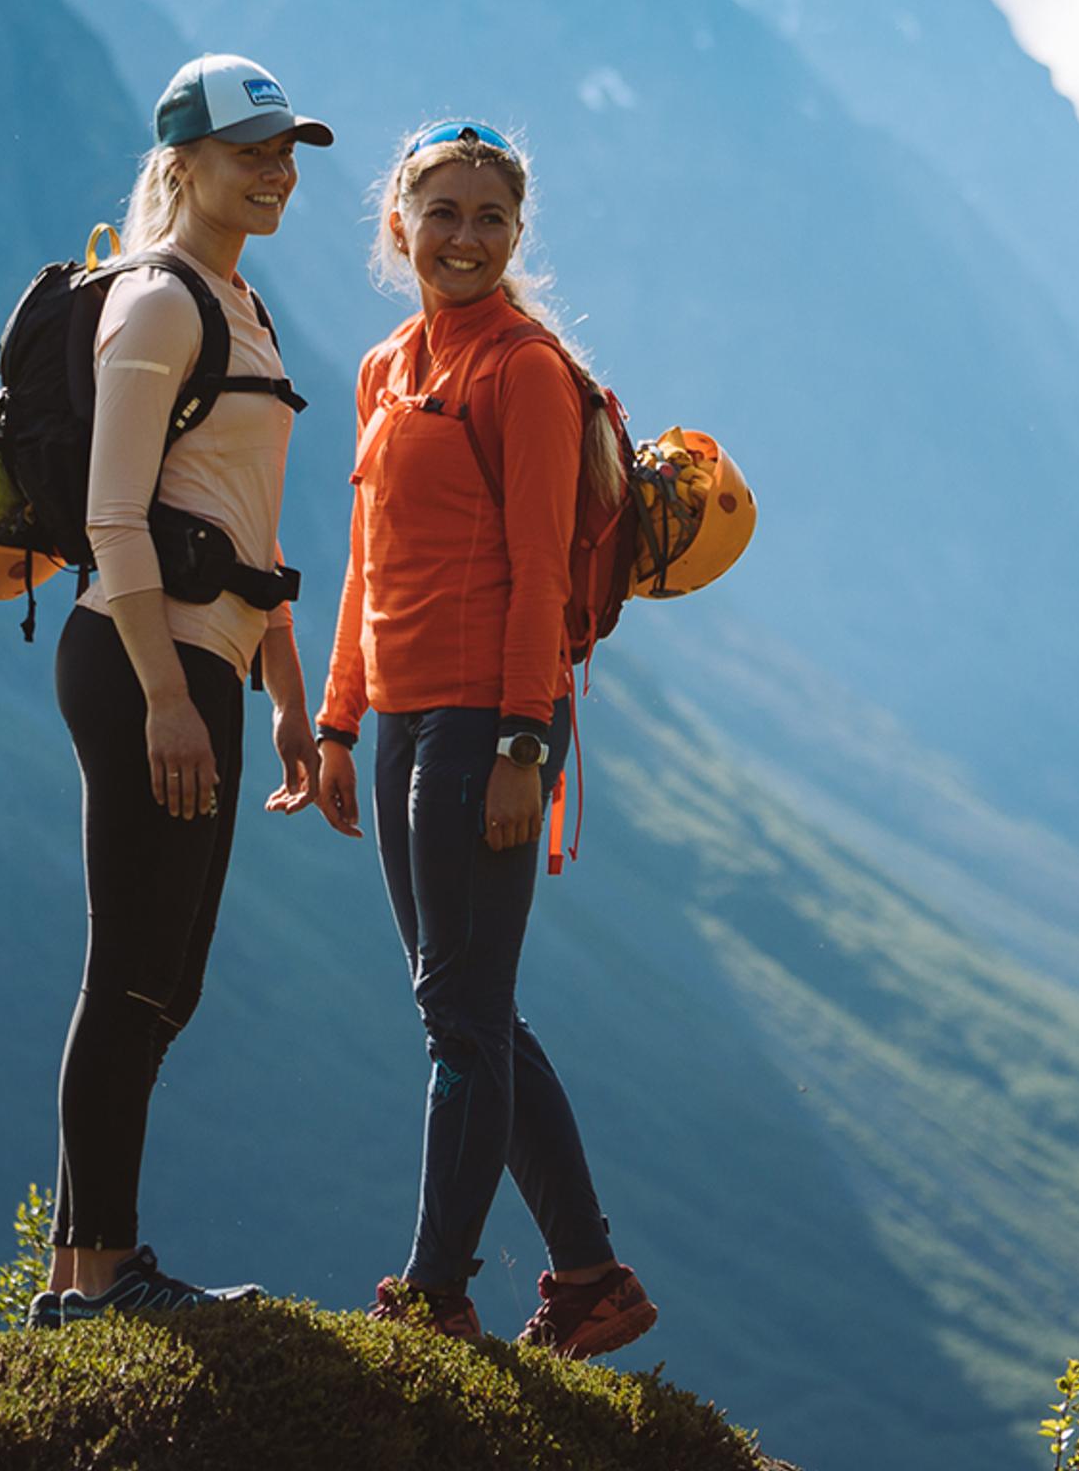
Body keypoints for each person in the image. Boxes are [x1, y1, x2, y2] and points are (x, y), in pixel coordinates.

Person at [310, 119, 661, 1358]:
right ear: (397, 226)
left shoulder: (522, 368)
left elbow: (531, 571)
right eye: (441, 214)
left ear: (517, 236)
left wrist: (523, 745)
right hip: (402, 722)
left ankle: (432, 1295)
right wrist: (341, 721)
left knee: (460, 1018)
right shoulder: (383, 366)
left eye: (489, 219)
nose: (463, 238)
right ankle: (590, 1280)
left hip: (487, 722)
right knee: (472, 1013)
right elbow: (365, 561)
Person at [30, 55, 336, 1323]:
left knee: (169, 975)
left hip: (202, 660)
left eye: (288, 153)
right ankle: (99, 1277)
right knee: (133, 969)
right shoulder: (158, 304)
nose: (277, 171)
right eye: (253, 150)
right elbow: (116, 516)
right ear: (183, 163)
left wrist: (286, 694)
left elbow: (244, 526)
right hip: (137, 657)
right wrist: (165, 693)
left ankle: (83, 1271)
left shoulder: (242, 306)